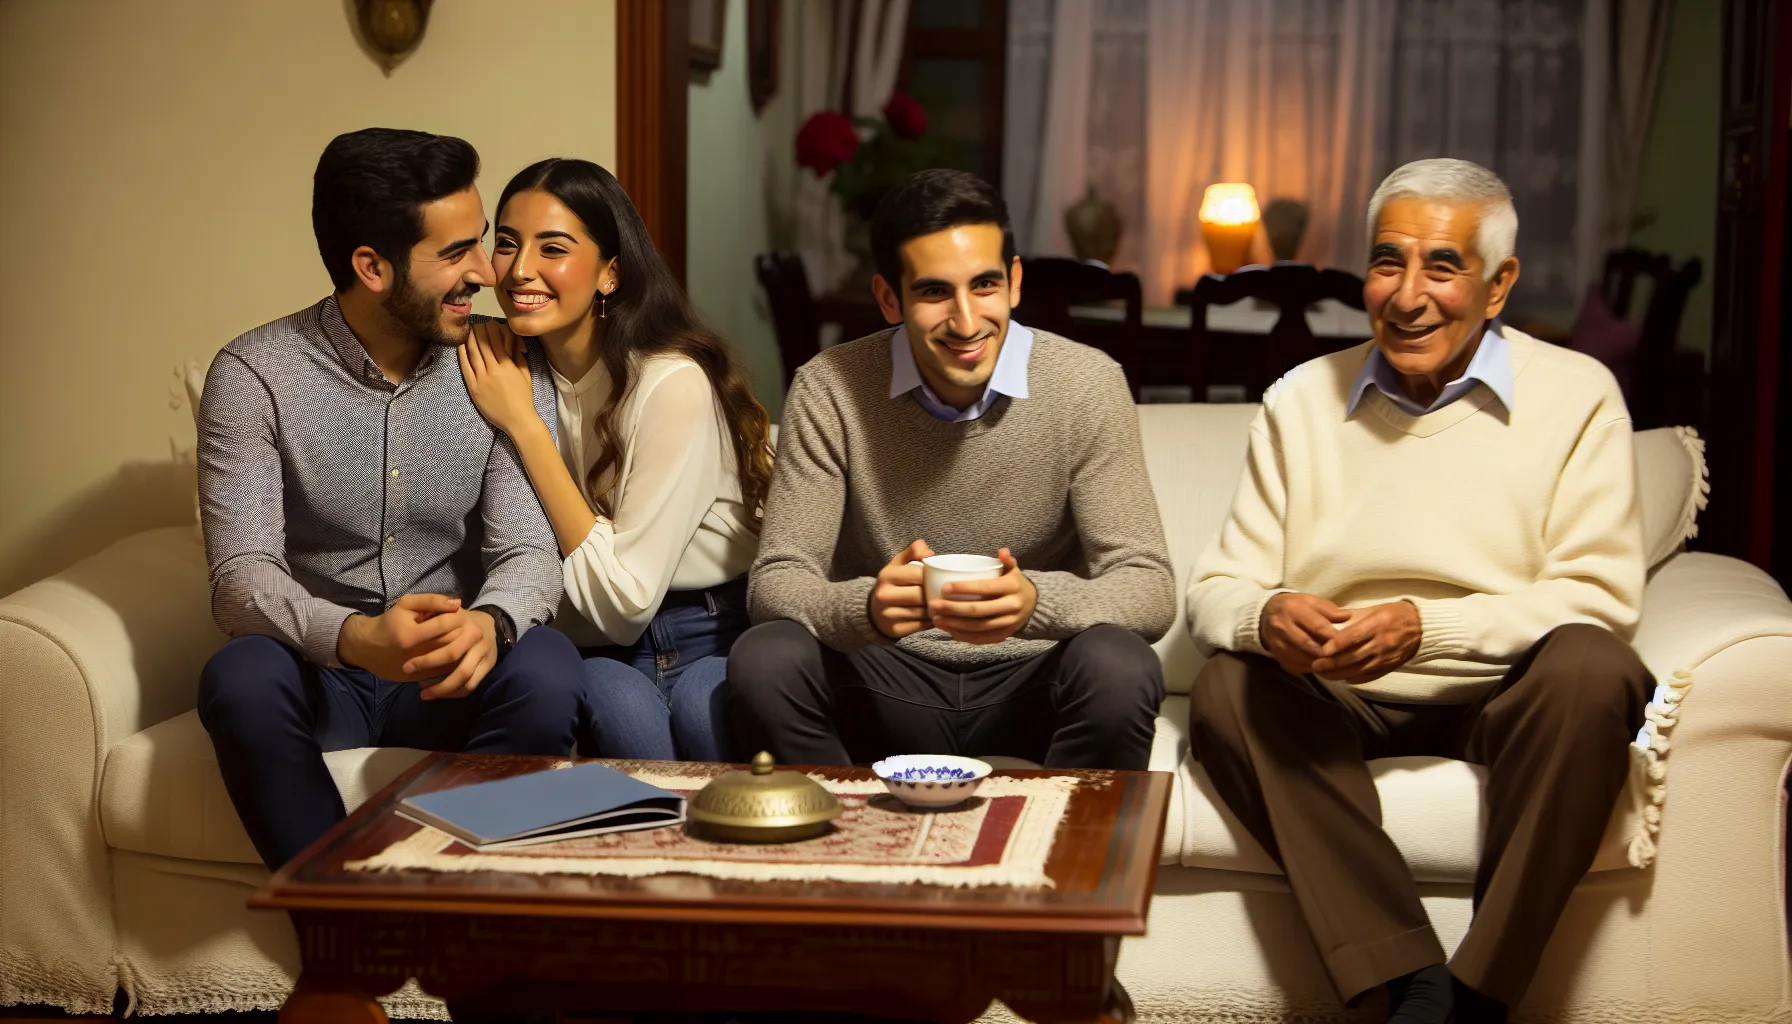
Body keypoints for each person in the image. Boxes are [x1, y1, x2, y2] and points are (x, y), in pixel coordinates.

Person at [1185, 158, 1652, 1024]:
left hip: (1508, 691)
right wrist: (1265, 615)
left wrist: (1426, 628)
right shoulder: (1300, 399)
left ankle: (1478, 994)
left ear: (1499, 284)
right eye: (1387, 262)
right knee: (1226, 686)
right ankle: (1405, 984)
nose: (1407, 296)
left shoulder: (1579, 396)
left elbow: (1600, 597)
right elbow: (1215, 589)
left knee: (1595, 668)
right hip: (1339, 694)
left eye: (1443, 266)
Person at [195, 128, 585, 870]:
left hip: (443, 678)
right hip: (322, 673)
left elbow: (527, 550)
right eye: (455, 253)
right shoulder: (255, 375)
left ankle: (452, 892)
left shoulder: (501, 360)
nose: (485, 272)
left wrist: (492, 624)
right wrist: (354, 638)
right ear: (371, 266)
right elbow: (240, 579)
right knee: (239, 675)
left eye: (481, 242)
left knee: (550, 665)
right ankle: (342, 929)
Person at [728, 168, 1175, 770]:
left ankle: (1073, 853)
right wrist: (867, 609)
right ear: (890, 299)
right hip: (883, 677)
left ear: (1015, 283)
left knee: (1122, 664)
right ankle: (839, 845)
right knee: (765, 656)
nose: (966, 322)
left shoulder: (1087, 384)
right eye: (935, 292)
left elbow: (1148, 586)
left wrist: (1034, 602)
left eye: (985, 285)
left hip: (1030, 680)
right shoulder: (829, 387)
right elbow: (776, 581)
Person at [459, 158, 770, 762]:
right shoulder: (505, 367)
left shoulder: (670, 382)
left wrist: (524, 424)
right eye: (506, 243)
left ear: (609, 273)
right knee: (618, 720)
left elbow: (625, 603)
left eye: (553, 248)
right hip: (587, 645)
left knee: (704, 721)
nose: (520, 270)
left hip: (709, 632)